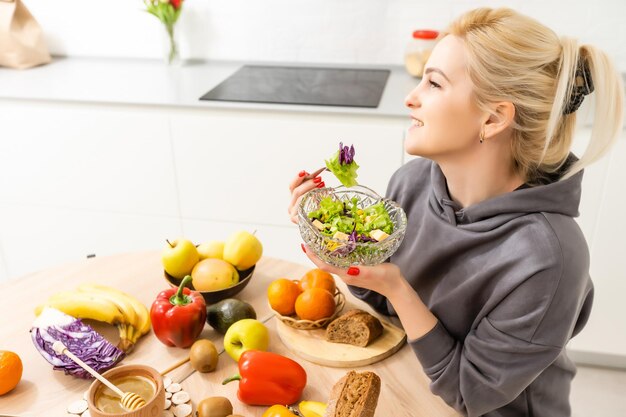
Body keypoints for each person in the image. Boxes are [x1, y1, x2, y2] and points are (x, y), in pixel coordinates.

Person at [287, 7, 624, 417]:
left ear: (493, 117)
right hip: (416, 387)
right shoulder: (412, 181)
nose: (410, 97)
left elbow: (469, 392)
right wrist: (338, 245)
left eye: (434, 83)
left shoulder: (549, 259)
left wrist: (397, 288)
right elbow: (380, 300)